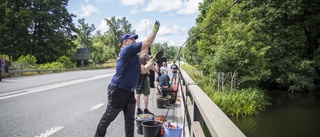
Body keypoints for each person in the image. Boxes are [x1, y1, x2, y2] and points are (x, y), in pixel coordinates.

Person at [94, 21, 162, 137]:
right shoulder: (127, 50)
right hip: (118, 91)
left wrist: (154, 59)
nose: (135, 41)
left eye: (135, 39)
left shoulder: (133, 58)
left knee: (130, 120)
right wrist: (155, 29)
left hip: (129, 92)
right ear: (124, 42)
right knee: (108, 118)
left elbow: (144, 70)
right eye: (132, 39)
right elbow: (148, 42)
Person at [135, 48, 158, 115]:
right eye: (148, 49)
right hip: (144, 77)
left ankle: (138, 109)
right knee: (146, 94)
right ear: (147, 49)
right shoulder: (145, 55)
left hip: (136, 77)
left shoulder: (137, 55)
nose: (148, 51)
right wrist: (157, 70)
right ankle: (145, 109)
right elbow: (150, 65)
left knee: (138, 94)